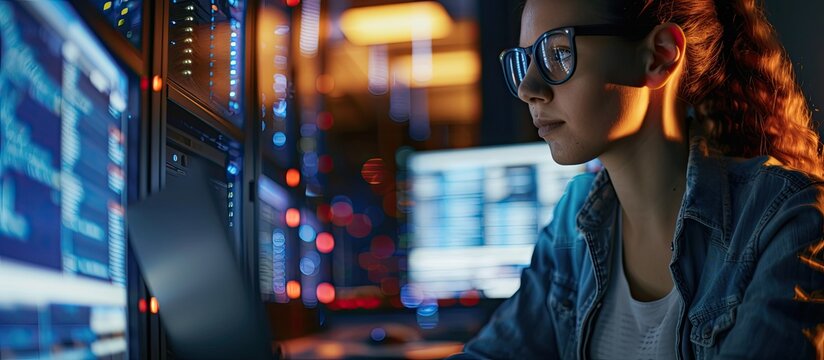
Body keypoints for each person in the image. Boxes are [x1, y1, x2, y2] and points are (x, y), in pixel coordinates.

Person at [453, 0, 824, 358]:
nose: (527, 89)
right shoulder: (570, 226)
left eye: (559, 53)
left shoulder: (787, 220)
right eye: (526, 60)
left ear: (660, 56)